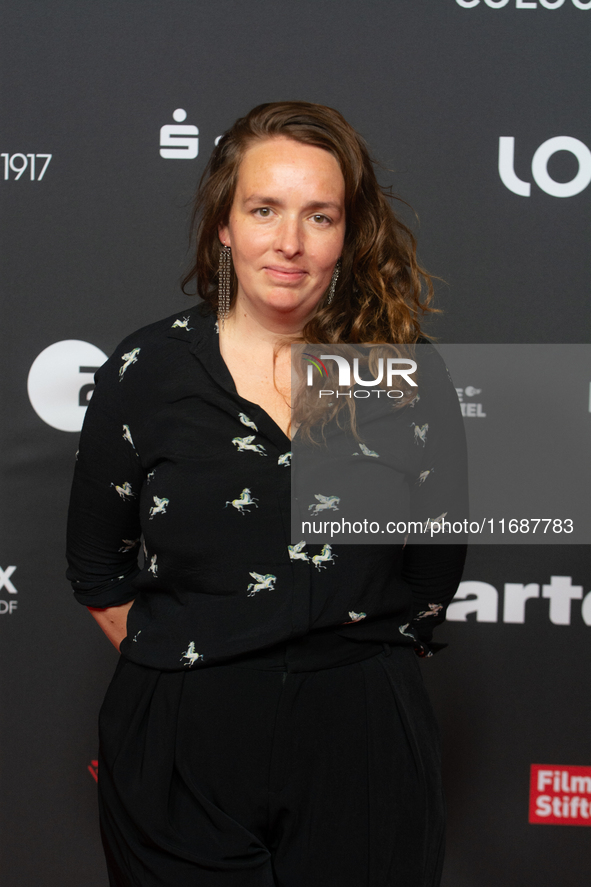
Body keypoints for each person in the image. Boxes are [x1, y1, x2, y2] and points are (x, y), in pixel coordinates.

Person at [66, 101, 467, 887]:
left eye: (319, 216)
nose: (289, 242)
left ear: (349, 233)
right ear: (224, 224)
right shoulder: (146, 371)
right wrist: (198, 673)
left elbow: (431, 573)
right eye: (263, 210)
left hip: (362, 737)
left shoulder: (401, 372)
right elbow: (97, 571)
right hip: (180, 745)